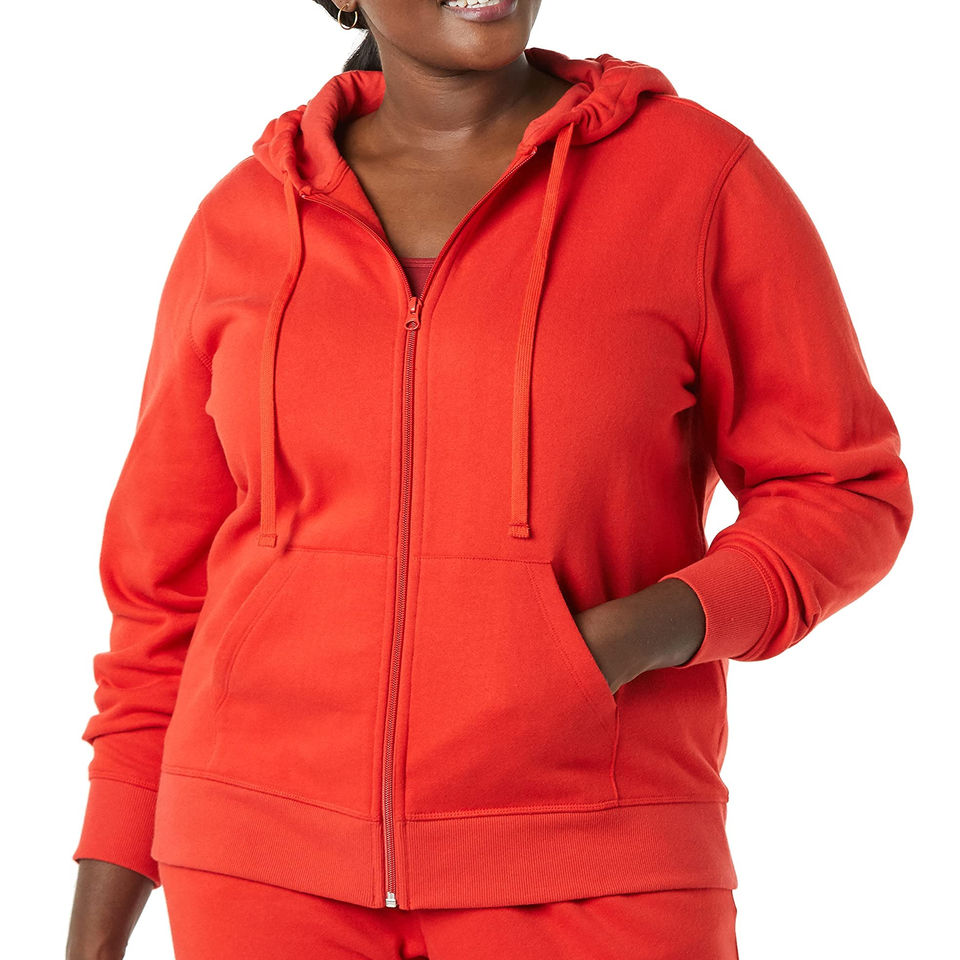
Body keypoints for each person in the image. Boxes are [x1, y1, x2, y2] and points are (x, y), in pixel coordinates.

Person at [66, 1, 914, 958]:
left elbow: (843, 488)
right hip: (257, 873)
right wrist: (96, 926)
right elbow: (161, 600)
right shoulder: (244, 219)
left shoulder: (697, 182)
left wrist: (638, 634)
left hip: (595, 866)